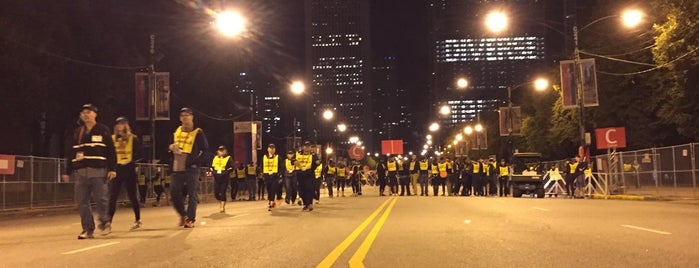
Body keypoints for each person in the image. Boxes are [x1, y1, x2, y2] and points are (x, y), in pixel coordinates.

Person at [62, 104, 116, 239]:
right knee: (81, 201)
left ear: (95, 114)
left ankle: (104, 222)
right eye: (83, 112)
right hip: (81, 172)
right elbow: (71, 152)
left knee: (101, 199)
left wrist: (112, 169)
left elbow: (111, 151)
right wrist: (67, 171)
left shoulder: (103, 130)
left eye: (89, 112)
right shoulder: (77, 132)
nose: (86, 114)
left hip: (98, 170)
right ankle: (87, 228)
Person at [168, 107, 209, 228]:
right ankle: (183, 214)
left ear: (192, 117)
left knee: (192, 193)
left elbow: (206, 150)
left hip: (192, 167)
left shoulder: (198, 132)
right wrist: (171, 148)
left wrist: (196, 162)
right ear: (180, 118)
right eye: (183, 115)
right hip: (177, 166)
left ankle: (190, 219)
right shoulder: (176, 131)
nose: (185, 117)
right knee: (174, 192)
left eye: (187, 115)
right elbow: (168, 146)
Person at [107, 116, 144, 230]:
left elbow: (141, 153)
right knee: (113, 196)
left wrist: (133, 161)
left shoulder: (133, 138)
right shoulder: (112, 138)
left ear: (126, 125)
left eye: (122, 124)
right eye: (118, 124)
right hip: (117, 169)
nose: (119, 126)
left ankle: (137, 220)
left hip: (129, 168)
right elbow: (109, 154)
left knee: (132, 196)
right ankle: (108, 222)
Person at [296, 141, 319, 211]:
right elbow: (293, 160)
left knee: (309, 189)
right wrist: (294, 162)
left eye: (308, 146)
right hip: (300, 174)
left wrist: (317, 163)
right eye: (306, 146)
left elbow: (317, 162)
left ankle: (310, 204)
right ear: (303, 147)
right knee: (302, 190)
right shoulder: (298, 153)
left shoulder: (313, 154)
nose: (307, 148)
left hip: (310, 174)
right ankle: (305, 204)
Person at [262, 144, 284, 211]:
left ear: (275, 150)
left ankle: (271, 202)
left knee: (273, 189)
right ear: (268, 149)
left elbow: (282, 167)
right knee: (269, 189)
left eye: (273, 148)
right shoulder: (264, 157)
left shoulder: (278, 157)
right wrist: (261, 173)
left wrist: (280, 174)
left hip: (275, 176)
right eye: (270, 148)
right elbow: (261, 166)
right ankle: (271, 200)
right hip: (267, 176)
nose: (271, 149)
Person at [211, 146, 233, 213]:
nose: (221, 152)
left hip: (224, 178)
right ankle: (221, 201)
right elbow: (211, 167)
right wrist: (214, 172)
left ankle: (222, 207)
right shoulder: (215, 158)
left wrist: (225, 172)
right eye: (220, 150)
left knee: (223, 192)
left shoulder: (228, 158)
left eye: (222, 150)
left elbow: (232, 167)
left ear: (225, 151)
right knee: (216, 193)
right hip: (217, 177)